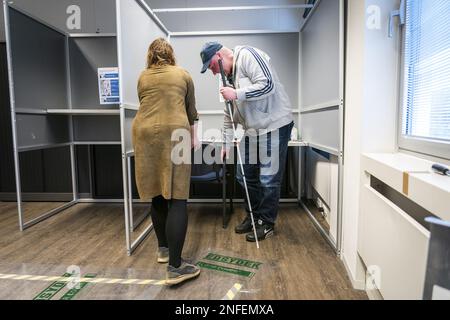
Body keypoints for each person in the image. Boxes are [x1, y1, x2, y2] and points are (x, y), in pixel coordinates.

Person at [200, 42, 294, 242]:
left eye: (212, 67)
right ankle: (254, 217)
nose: (213, 72)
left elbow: (268, 84)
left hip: (274, 125)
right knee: (243, 176)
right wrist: (226, 144)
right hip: (252, 130)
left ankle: (266, 223)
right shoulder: (224, 80)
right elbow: (228, 115)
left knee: (268, 178)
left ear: (219, 56)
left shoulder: (247, 55)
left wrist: (237, 93)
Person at [133, 38, 200, 285]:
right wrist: (194, 139)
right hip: (176, 133)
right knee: (178, 197)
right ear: (171, 54)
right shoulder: (183, 74)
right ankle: (175, 267)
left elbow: (145, 103)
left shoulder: (142, 76)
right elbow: (191, 112)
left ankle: (162, 249)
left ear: (150, 55)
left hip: (144, 133)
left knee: (157, 194)